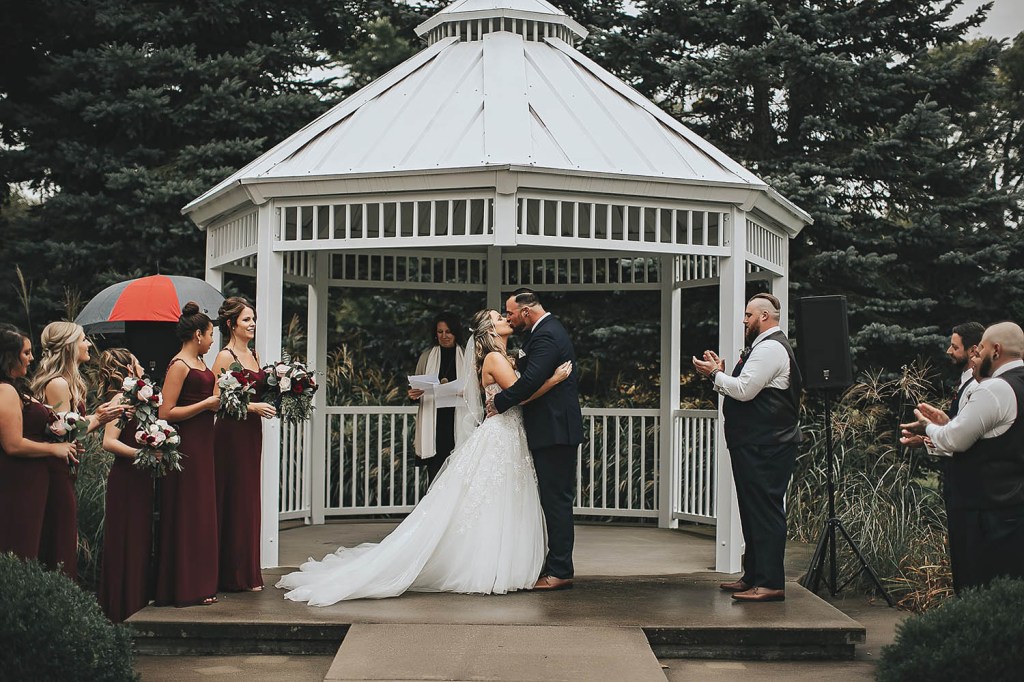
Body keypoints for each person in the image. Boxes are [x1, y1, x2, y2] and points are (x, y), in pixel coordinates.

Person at [276, 309, 572, 605]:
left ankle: (503, 562)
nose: (506, 318)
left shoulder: (506, 357)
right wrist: (555, 380)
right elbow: (521, 394)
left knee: (501, 500)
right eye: (498, 317)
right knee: (493, 499)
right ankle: (487, 566)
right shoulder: (495, 359)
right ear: (490, 329)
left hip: (511, 435)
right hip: (502, 436)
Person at [692, 292, 802, 602]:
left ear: (764, 317)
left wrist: (716, 374)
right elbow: (743, 385)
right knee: (752, 510)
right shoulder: (763, 347)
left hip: (767, 444)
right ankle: (753, 575)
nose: (744, 319)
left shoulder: (770, 349)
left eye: (748, 314)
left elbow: (743, 391)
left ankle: (770, 582)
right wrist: (721, 374)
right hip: (755, 443)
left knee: (765, 511)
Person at [900, 321, 1024, 591]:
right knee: (1008, 593)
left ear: (996, 350)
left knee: (975, 589)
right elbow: (991, 436)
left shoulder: (996, 388)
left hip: (984, 513)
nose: (976, 356)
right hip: (1013, 505)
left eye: (980, 350)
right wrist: (948, 423)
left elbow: (955, 440)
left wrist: (927, 426)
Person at [489, 288, 583, 591]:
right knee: (552, 500)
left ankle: (560, 570)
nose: (508, 318)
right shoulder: (541, 333)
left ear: (526, 312)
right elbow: (530, 372)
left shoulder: (547, 336)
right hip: (549, 429)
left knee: (556, 501)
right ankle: (555, 564)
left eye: (511, 313)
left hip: (555, 431)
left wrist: (500, 403)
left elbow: (530, 382)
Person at [29, 321, 122, 581]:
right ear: (70, 346)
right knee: (59, 537)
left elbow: (67, 426)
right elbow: (65, 431)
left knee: (63, 534)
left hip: (66, 468)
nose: (88, 344)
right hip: (55, 471)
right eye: (83, 339)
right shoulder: (57, 383)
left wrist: (100, 413)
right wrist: (101, 418)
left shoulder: (68, 381)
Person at [900, 321, 984, 594]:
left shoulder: (977, 389)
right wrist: (927, 439)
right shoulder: (966, 385)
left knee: (969, 561)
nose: (948, 350)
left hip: (969, 488)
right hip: (960, 486)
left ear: (973, 351)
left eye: (954, 346)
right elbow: (957, 435)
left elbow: (963, 441)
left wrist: (931, 430)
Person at [156, 302, 221, 607]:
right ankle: (184, 586)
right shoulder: (179, 365)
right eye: (209, 335)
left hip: (204, 442)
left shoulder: (200, 363)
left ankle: (202, 582)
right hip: (186, 446)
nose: (211, 341)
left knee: (202, 511)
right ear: (197, 334)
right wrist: (206, 405)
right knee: (188, 511)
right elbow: (165, 412)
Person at [0, 324, 79, 568]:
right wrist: (54, 448)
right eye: (25, 353)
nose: (32, 358)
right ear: (8, 356)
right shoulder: (5, 390)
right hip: (18, 479)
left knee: (32, 545)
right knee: (20, 545)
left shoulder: (16, 387)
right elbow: (12, 444)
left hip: (33, 478)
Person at [212, 297, 275, 593]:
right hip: (231, 433)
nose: (252, 325)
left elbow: (260, 390)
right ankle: (230, 574)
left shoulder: (255, 354)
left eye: (253, 319)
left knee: (249, 498)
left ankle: (248, 570)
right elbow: (217, 399)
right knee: (234, 497)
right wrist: (252, 407)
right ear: (231, 324)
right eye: (246, 320)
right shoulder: (225, 357)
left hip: (252, 433)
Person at [96, 348, 154, 622]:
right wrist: (142, 454)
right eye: (138, 362)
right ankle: (121, 609)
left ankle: (135, 604)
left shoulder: (136, 399)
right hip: (126, 479)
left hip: (140, 479)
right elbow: (109, 442)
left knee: (138, 541)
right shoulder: (120, 398)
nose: (141, 366)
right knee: (126, 541)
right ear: (129, 370)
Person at [408, 312, 465, 483]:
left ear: (456, 333)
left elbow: (476, 389)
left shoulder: (466, 356)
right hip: (434, 421)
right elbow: (416, 388)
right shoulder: (426, 357)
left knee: (459, 471)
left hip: (459, 419)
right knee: (435, 473)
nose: (444, 336)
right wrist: (413, 395)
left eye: (448, 331)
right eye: (440, 332)